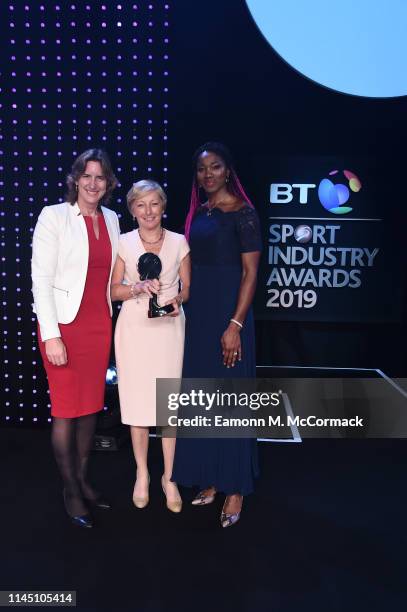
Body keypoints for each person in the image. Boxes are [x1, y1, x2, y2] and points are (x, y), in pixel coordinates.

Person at [171, 142, 262, 528]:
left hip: (229, 318)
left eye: (215, 167)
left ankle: (235, 486)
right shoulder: (201, 213)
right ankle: (210, 476)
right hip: (198, 317)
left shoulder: (244, 213)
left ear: (229, 171)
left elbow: (250, 275)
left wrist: (235, 325)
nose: (208, 175)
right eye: (201, 169)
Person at [32, 148, 120, 528]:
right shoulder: (54, 217)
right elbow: (41, 279)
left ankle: (83, 480)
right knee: (66, 411)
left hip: (99, 326)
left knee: (90, 409)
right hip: (64, 328)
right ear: (75, 179)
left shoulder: (114, 219)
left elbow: (115, 274)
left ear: (108, 183)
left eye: (100, 177)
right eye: (87, 175)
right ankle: (69, 489)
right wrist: (51, 335)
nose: (93, 183)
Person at [111, 180, 190, 513]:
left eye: (154, 204)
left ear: (163, 206)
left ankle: (169, 477)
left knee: (168, 406)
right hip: (134, 329)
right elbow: (113, 291)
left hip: (169, 329)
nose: (148, 211)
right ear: (132, 210)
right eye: (140, 205)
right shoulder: (124, 243)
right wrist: (136, 287)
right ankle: (142, 473)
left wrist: (176, 300)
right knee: (138, 405)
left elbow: (187, 290)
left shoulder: (179, 242)